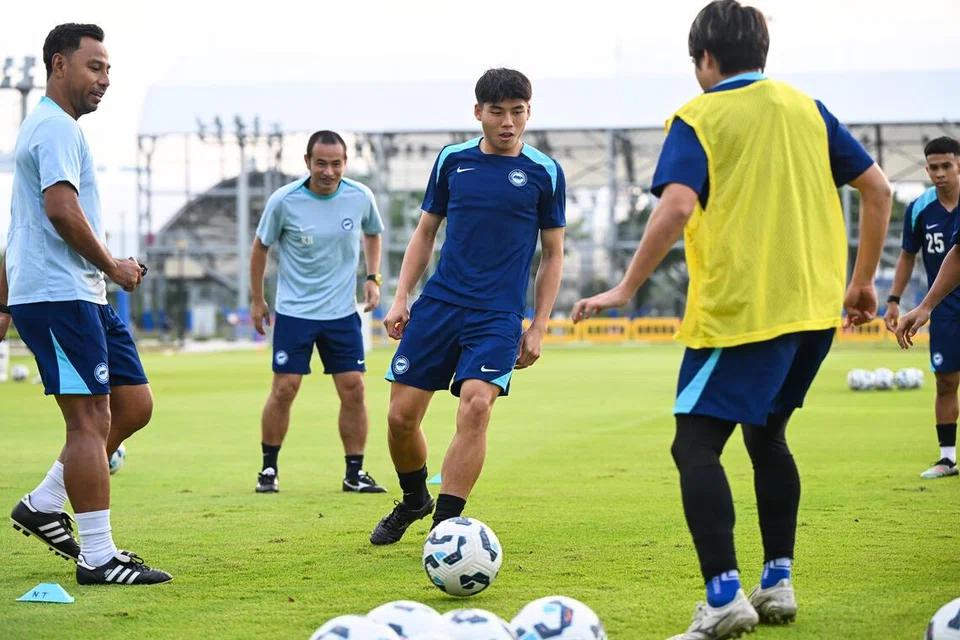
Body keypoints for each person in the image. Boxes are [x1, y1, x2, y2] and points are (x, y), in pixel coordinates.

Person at [571, 2, 891, 637]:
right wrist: (860, 285)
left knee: (693, 444)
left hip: (746, 314)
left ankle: (723, 596)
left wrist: (626, 287)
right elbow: (878, 190)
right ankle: (776, 584)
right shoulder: (808, 109)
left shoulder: (700, 115)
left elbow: (677, 206)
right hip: (813, 312)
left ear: (706, 60)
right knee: (766, 437)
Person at [0, 23, 171, 585]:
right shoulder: (53, 129)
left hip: (80, 294)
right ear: (58, 65)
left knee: (134, 406)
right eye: (94, 67)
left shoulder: (58, 130)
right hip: (59, 296)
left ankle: (46, 501)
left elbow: (20, 228)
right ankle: (97, 556)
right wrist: (114, 267)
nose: (104, 80)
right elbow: (58, 211)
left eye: (108, 70)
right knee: (90, 420)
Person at [368, 68, 565, 546]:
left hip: (497, 315)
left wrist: (538, 326)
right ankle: (416, 499)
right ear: (478, 112)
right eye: (497, 112)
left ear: (528, 112)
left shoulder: (544, 172)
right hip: (440, 305)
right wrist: (401, 296)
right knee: (400, 418)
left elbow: (554, 254)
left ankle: (445, 530)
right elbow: (425, 233)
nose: (507, 122)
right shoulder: (453, 161)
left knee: (476, 406)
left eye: (517, 112)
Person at [251, 130, 387, 494]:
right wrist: (256, 299)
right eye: (321, 163)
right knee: (285, 389)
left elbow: (373, 233)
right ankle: (268, 469)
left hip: (342, 313)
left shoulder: (360, 197)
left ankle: (354, 473)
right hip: (295, 312)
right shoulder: (285, 200)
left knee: (354, 389)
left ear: (345, 163)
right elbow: (260, 247)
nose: (329, 171)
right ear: (308, 162)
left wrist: (372, 278)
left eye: (336, 163)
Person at [884, 137, 960, 480]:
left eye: (947, 165)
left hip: (934, 305)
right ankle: (947, 458)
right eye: (933, 167)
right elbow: (907, 256)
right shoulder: (919, 208)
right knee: (945, 381)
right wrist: (894, 300)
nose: (940, 173)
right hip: (943, 309)